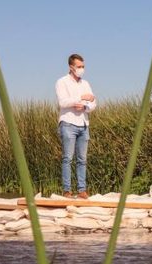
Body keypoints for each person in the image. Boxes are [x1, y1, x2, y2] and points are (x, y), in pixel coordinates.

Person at [55, 53, 97, 199]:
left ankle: (82, 190)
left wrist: (85, 107)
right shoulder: (62, 82)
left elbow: (93, 103)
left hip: (83, 124)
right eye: (79, 66)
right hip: (68, 123)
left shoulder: (86, 84)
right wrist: (81, 98)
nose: (81, 69)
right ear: (71, 67)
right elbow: (63, 102)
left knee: (82, 159)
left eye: (83, 66)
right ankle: (67, 190)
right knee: (68, 158)